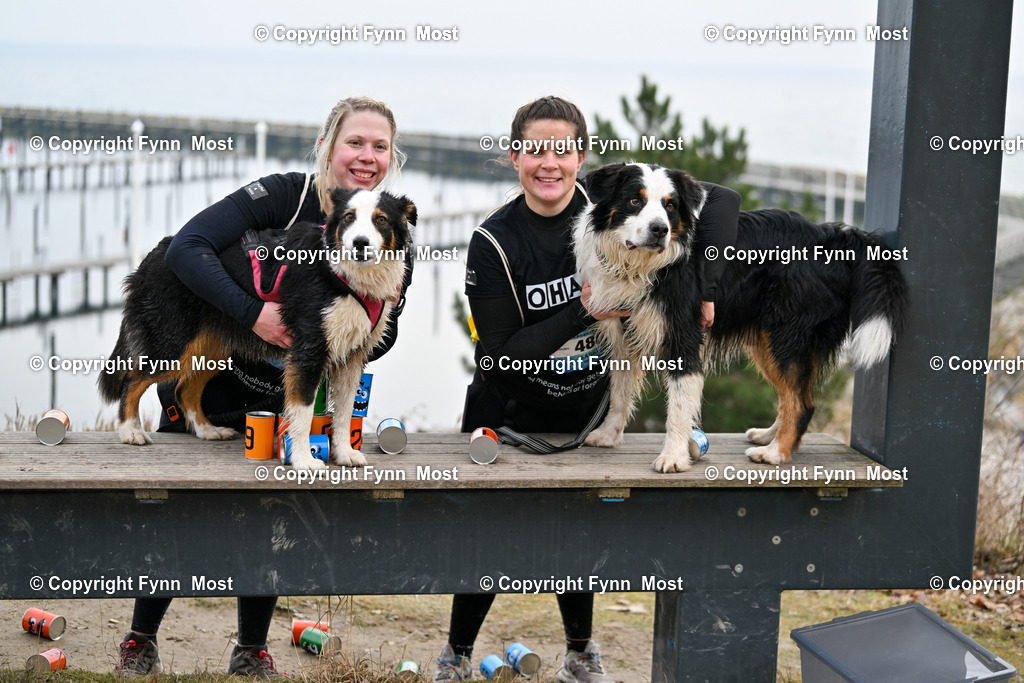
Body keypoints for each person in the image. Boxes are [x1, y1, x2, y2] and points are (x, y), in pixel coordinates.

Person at [435, 96, 739, 683]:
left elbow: (718, 202)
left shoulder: (614, 204)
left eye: (563, 149)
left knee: (578, 537)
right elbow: (496, 359)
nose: (549, 162)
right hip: (508, 413)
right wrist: (583, 312)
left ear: (582, 157)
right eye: (534, 148)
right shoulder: (493, 240)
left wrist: (708, 289)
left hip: (585, 411)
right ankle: (456, 654)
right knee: (492, 541)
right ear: (514, 154)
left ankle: (580, 652)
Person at [116, 96, 410, 679]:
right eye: (355, 142)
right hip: (220, 369)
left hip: (279, 406)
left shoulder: (384, 224)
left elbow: (377, 333)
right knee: (182, 516)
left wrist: (366, 320)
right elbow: (186, 250)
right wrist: (253, 315)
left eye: (380, 146)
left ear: (390, 157)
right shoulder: (282, 194)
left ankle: (251, 649)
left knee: (276, 518)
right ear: (328, 145)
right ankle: (140, 638)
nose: (366, 156)